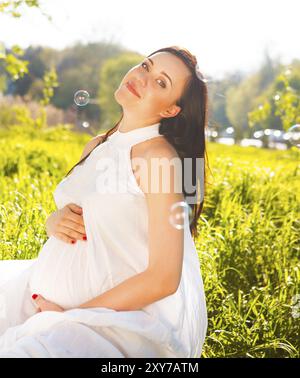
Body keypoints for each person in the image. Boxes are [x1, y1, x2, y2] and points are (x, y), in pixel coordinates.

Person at [0, 45, 209, 358]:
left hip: (106, 322)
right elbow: (92, 221)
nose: (142, 77)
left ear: (170, 110)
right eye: (145, 66)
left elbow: (164, 278)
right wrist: (53, 221)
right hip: (41, 297)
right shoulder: (97, 144)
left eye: (161, 82)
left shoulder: (158, 157)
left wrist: (70, 317)